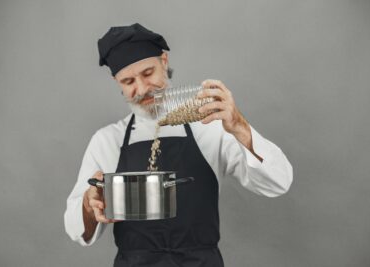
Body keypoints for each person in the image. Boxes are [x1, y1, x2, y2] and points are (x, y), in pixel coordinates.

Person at [64, 23, 293, 267]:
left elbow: (278, 182)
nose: (141, 89)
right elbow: (76, 229)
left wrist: (239, 127)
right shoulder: (107, 140)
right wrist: (89, 206)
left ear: (164, 61)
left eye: (147, 73)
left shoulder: (209, 125)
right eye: (128, 81)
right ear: (116, 82)